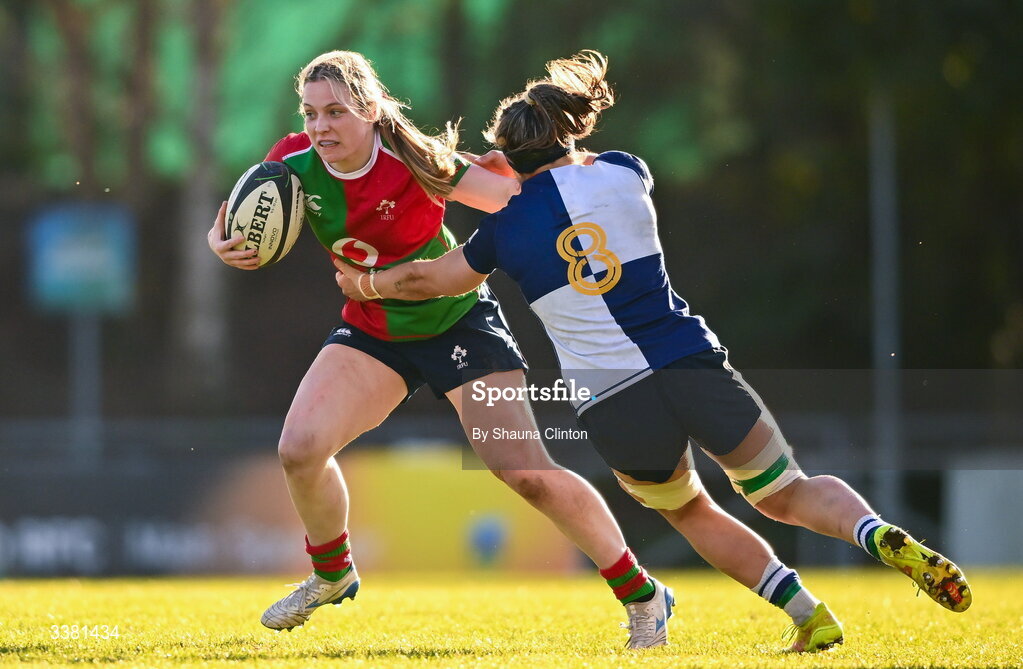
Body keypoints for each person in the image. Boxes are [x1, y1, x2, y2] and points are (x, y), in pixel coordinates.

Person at [336, 50, 973, 653]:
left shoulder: (500, 232)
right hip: (688, 361)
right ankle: (874, 532)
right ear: (568, 130)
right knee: (786, 492)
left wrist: (365, 283)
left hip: (613, 400)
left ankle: (810, 616)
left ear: (506, 154)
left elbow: (429, 279)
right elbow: (557, 177)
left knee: (692, 510)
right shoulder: (625, 172)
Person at [207, 50, 675, 650]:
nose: (320, 126)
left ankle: (643, 596)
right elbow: (237, 220)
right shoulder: (291, 164)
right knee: (299, 449)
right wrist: (223, 243)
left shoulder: (417, 161)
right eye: (311, 112)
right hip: (374, 329)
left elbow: (514, 199)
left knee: (526, 473)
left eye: (336, 112)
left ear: (371, 110)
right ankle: (332, 573)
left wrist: (528, 173)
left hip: (461, 324)